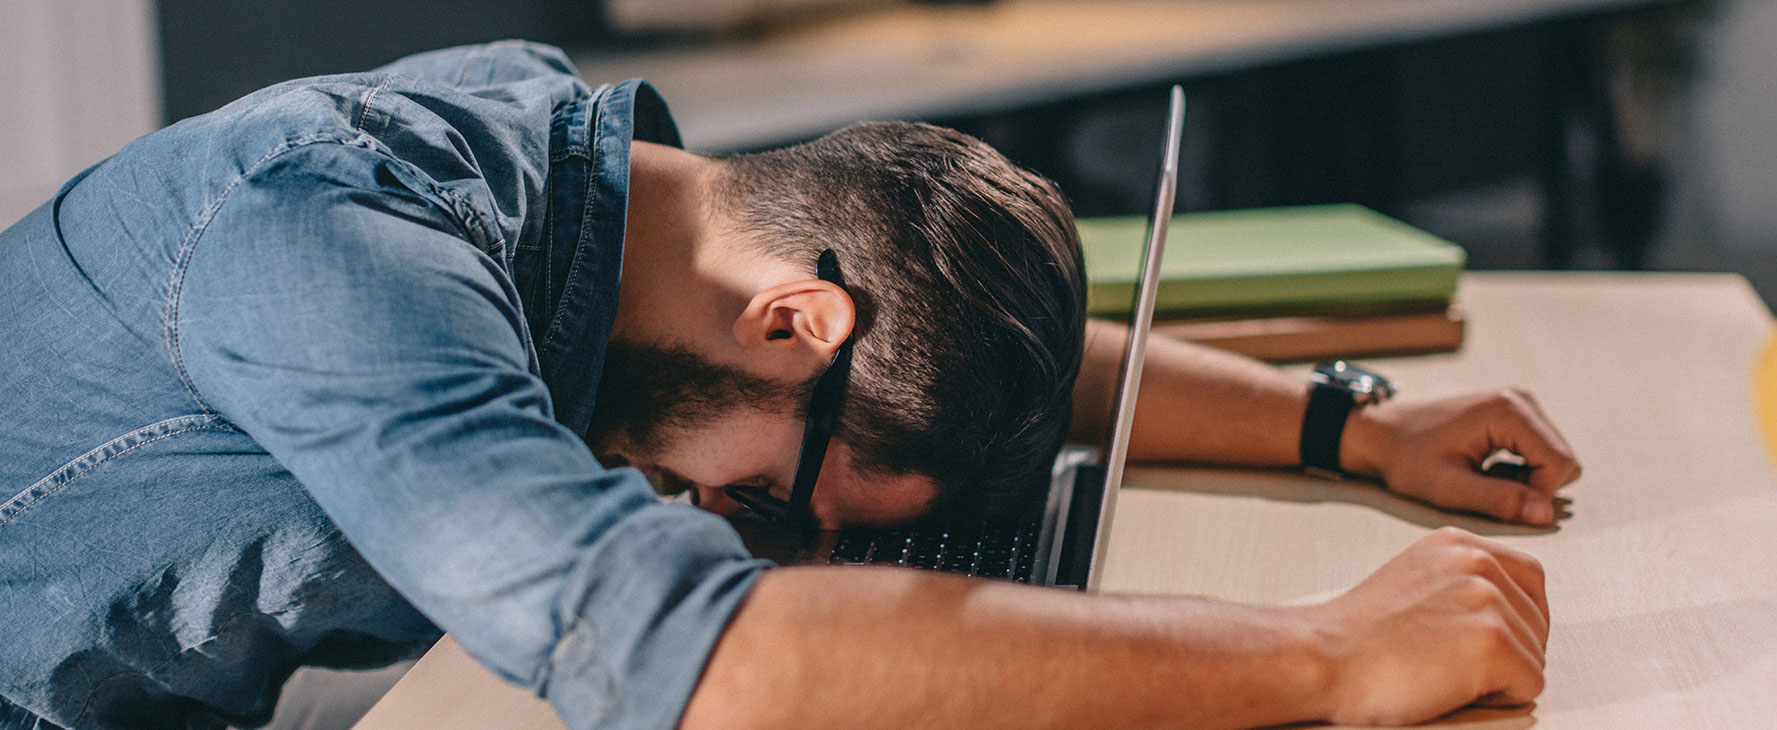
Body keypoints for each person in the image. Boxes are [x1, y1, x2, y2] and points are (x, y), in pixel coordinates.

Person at [0, 41, 1579, 730]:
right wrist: (1325, 655)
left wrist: (1348, 423)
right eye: (773, 506)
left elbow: (916, 381)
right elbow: (704, 659)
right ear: (794, 319)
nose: (768, 541)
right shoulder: (332, 247)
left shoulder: (600, 204)